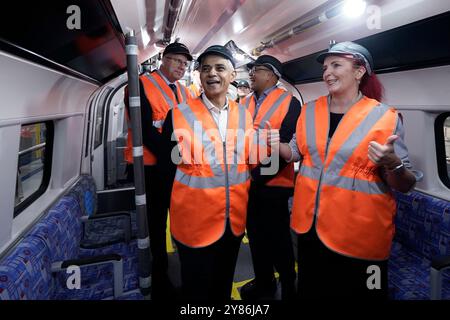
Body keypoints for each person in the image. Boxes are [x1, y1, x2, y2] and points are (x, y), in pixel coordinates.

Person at [268, 41, 422, 299]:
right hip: (310, 228)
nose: (327, 72)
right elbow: (297, 151)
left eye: (336, 65)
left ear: (359, 72)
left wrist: (391, 162)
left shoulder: (385, 117)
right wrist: (277, 146)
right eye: (326, 67)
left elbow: (405, 184)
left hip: (360, 236)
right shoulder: (309, 110)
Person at [158, 45, 258, 301]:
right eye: (206, 69)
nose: (212, 73)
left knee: (223, 285)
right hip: (194, 221)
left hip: (233, 221)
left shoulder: (245, 116)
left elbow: (247, 164)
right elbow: (166, 170)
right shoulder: (178, 115)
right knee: (197, 290)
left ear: (233, 75)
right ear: (199, 76)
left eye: (220, 68)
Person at [123, 42, 193, 299]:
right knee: (155, 221)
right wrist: (171, 156)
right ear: (163, 59)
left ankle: (186, 272)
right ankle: (160, 275)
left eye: (185, 64)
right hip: (152, 167)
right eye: (176, 61)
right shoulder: (141, 84)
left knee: (182, 217)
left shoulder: (186, 92)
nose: (181, 67)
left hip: (179, 165)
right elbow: (144, 129)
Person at [239, 55, 301, 300]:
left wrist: (254, 177)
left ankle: (288, 285)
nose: (252, 74)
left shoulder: (290, 103)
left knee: (279, 240)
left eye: (257, 69)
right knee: (254, 236)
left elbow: (285, 148)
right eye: (251, 69)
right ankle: (264, 282)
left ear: (272, 74)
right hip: (247, 183)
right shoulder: (243, 103)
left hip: (273, 185)